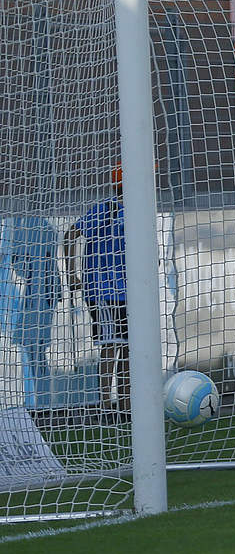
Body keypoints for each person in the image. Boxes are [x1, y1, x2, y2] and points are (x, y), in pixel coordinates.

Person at [62, 168, 130, 413]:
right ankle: (105, 405)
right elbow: (71, 234)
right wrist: (72, 273)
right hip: (103, 290)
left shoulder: (137, 210)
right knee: (110, 345)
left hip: (129, 291)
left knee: (129, 347)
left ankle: (125, 405)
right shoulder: (108, 209)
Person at [0, 215, 60, 409]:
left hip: (41, 300)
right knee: (34, 352)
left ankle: (42, 402)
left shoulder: (37, 227)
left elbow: (23, 267)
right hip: (39, 298)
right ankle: (39, 400)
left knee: (36, 352)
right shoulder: (37, 227)